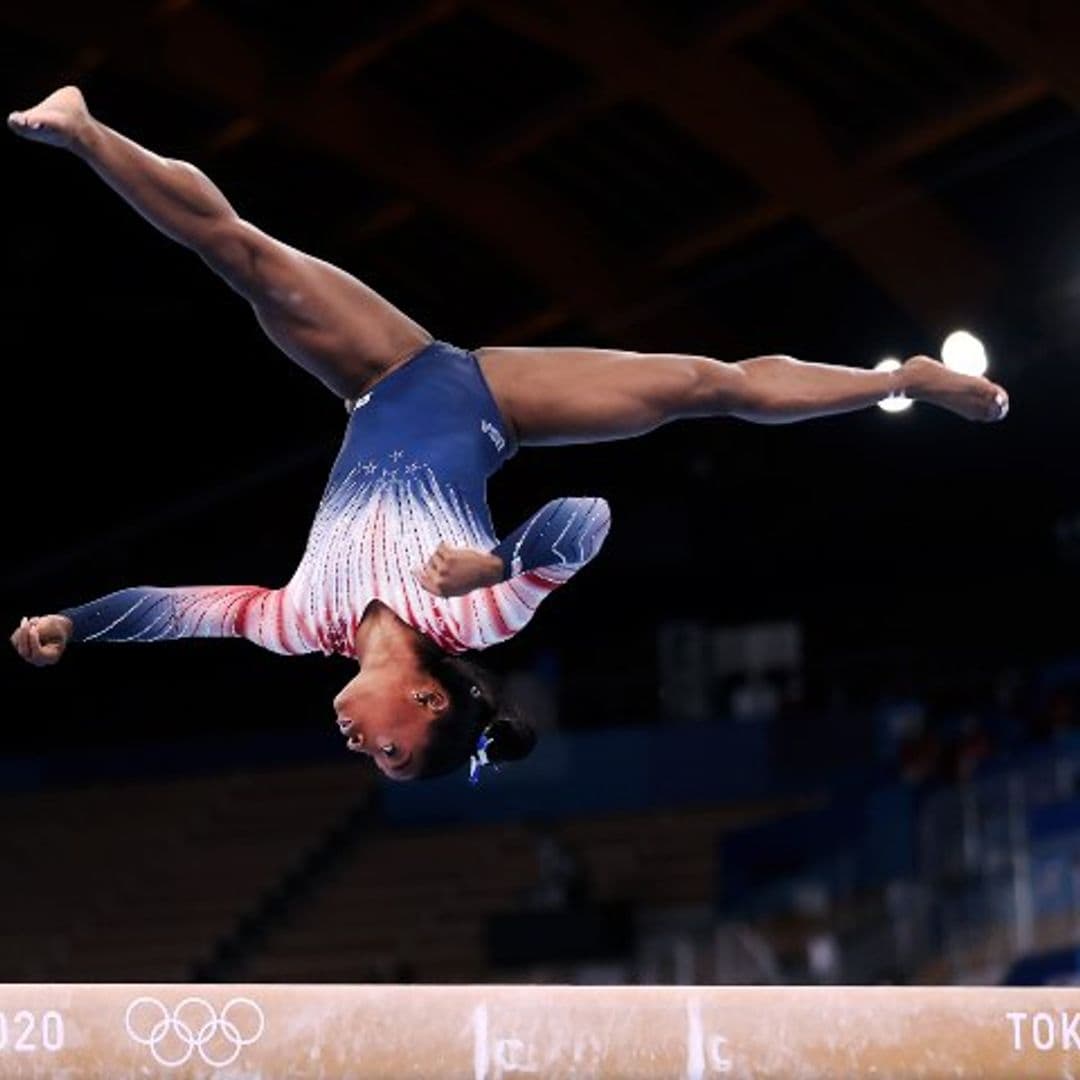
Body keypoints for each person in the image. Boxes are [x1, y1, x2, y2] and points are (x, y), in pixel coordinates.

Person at [7, 87, 1010, 783]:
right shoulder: (472, 625)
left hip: (381, 376)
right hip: (494, 404)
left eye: (373, 763)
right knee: (706, 384)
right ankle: (903, 380)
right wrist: (494, 564)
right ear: (432, 707)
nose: (364, 749)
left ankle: (84, 134)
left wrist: (76, 624)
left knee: (247, 259)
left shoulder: (299, 625)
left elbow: (171, 611)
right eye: (391, 753)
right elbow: (585, 519)